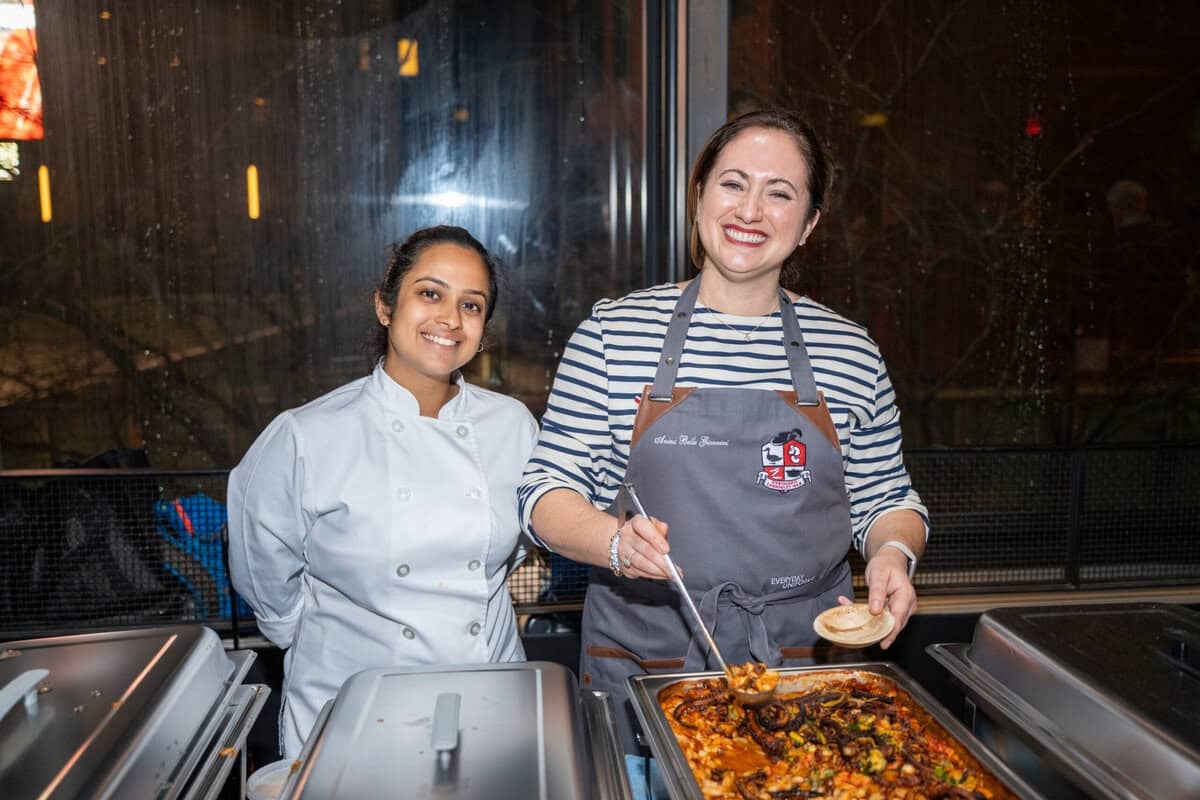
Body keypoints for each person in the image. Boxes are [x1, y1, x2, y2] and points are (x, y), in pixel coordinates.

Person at [518, 109, 929, 766]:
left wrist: (892, 556)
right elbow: (544, 492)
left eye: (780, 192)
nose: (752, 209)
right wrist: (614, 544)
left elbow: (888, 497)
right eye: (733, 183)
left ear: (810, 224)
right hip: (650, 665)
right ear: (700, 196)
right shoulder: (613, 336)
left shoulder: (850, 352)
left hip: (805, 668)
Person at [228, 225, 539, 758]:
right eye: (430, 293)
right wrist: (311, 635)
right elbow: (263, 569)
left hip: (488, 690)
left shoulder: (512, 425)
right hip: (353, 701)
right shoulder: (307, 434)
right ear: (385, 306)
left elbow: (524, 544)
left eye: (472, 304)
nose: (449, 318)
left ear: (484, 329)